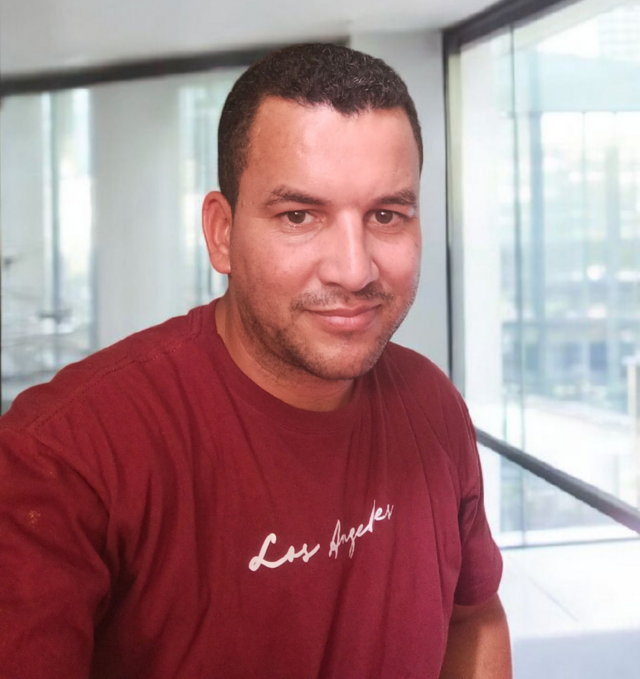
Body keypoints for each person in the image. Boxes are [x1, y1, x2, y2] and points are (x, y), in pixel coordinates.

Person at [0, 43, 511, 678]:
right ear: (222, 233)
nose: (354, 270)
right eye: (299, 216)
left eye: (386, 215)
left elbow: (474, 616)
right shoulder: (64, 455)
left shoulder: (431, 404)